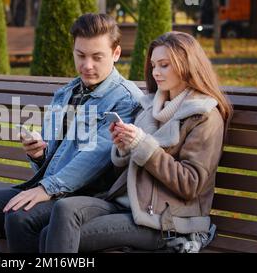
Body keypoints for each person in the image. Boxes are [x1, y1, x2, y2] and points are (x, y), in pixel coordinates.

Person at [0, 13, 143, 252]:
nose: (87, 65)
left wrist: (47, 189)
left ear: (116, 54)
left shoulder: (125, 99)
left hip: (90, 199)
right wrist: (38, 154)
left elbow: (95, 157)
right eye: (80, 55)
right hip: (49, 188)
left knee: (19, 216)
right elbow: (50, 161)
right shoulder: (65, 93)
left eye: (97, 57)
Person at [40, 31, 233, 253]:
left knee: (59, 235)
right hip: (128, 206)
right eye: (153, 65)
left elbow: (190, 184)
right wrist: (123, 148)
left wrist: (142, 146)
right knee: (63, 211)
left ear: (186, 65)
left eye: (164, 65)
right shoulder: (151, 108)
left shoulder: (205, 116)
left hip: (165, 221)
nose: (156, 72)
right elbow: (124, 171)